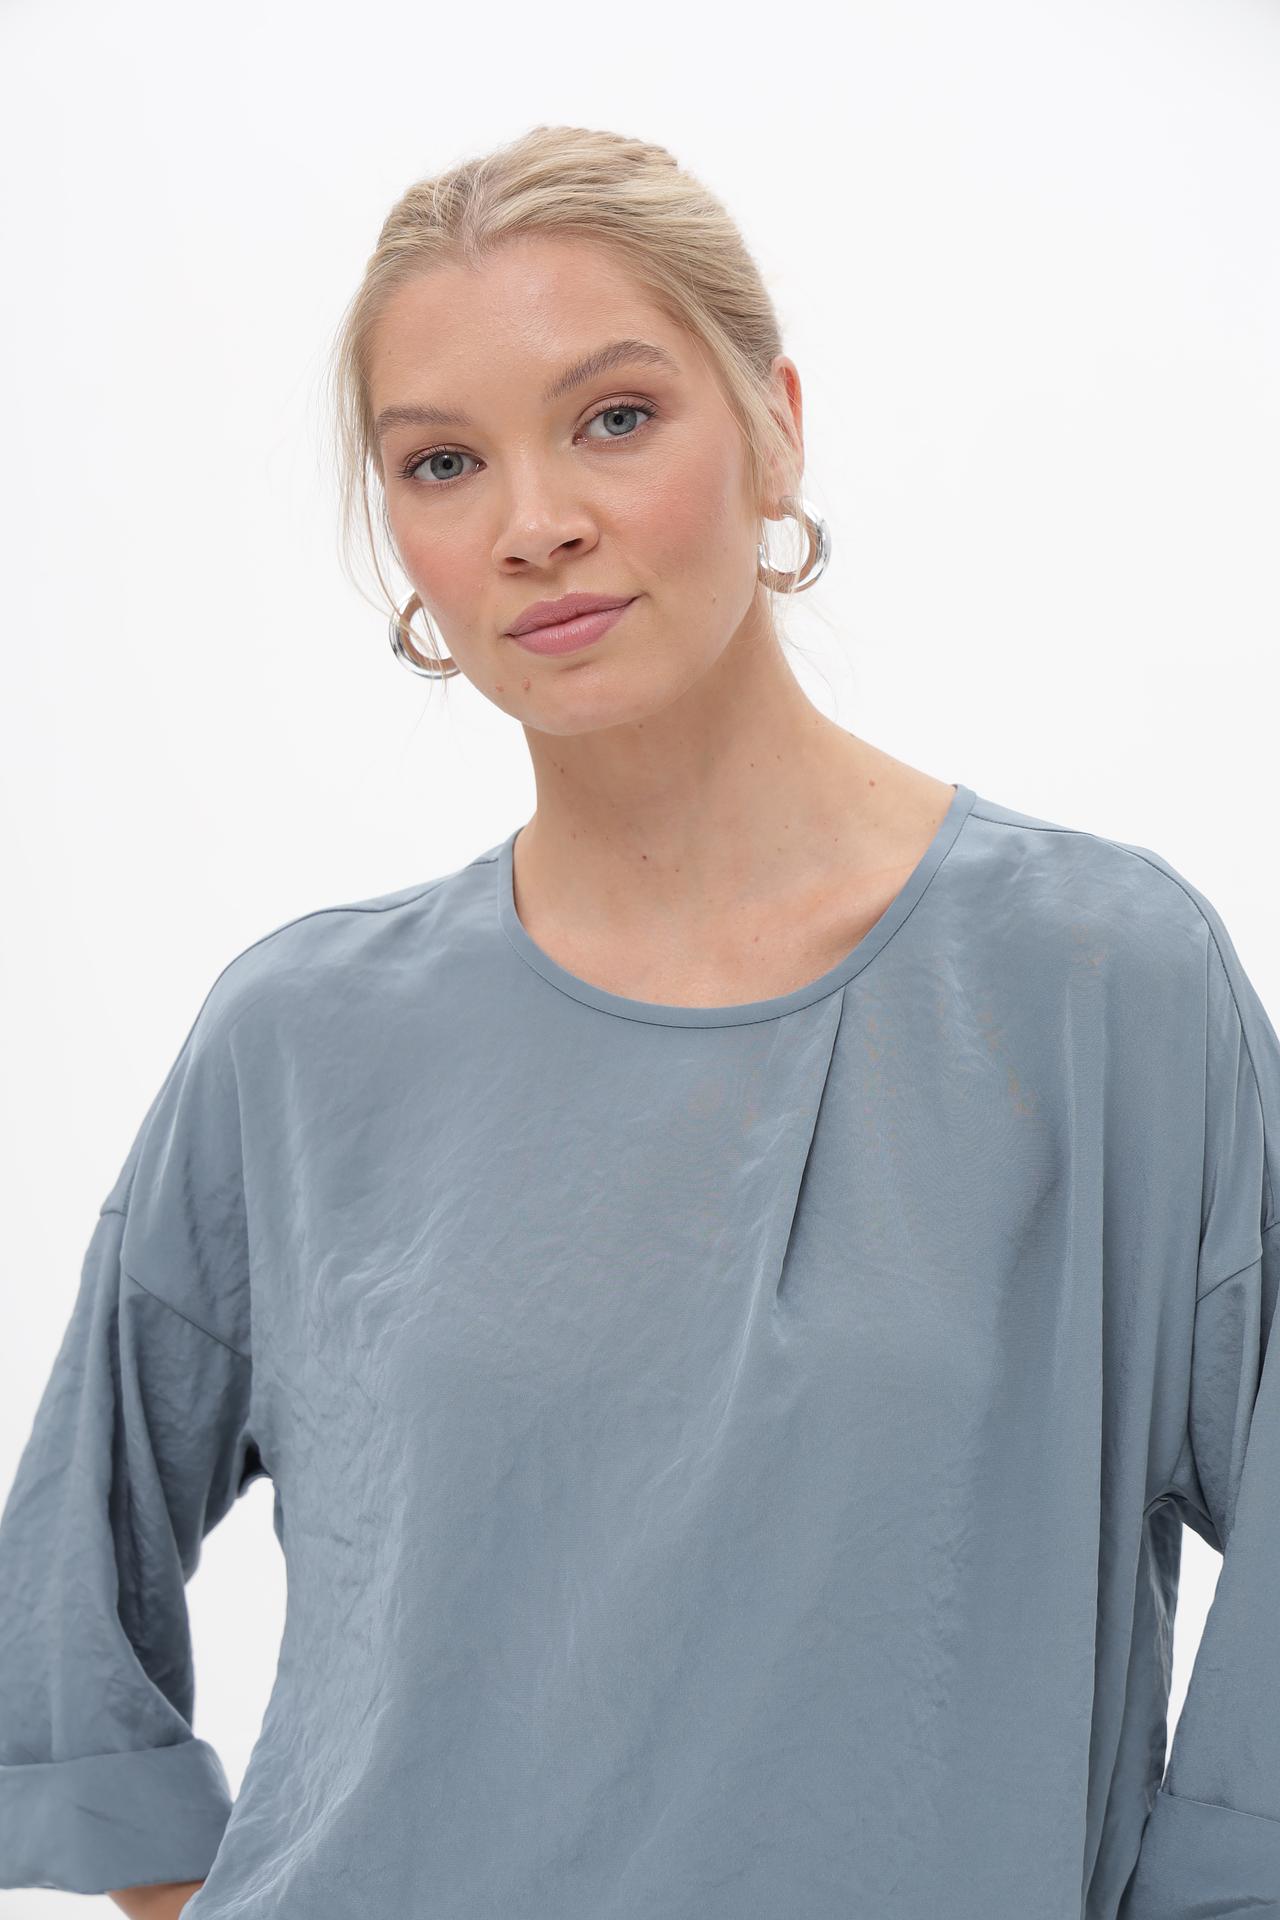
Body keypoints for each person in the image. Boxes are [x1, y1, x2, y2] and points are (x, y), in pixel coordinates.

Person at [1, 124, 1277, 1920]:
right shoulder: (298, 1043)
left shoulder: (1099, 988)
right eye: (443, 463)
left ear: (775, 430)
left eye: (614, 417)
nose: (535, 524)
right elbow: (60, 1634)